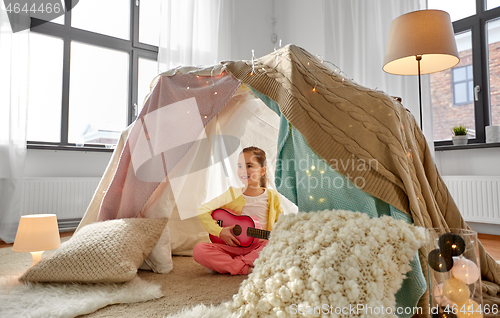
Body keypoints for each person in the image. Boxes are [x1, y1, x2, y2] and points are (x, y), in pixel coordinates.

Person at [193, 146, 283, 275]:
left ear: (263, 171)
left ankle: (231, 264)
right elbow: (202, 210)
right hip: (232, 246)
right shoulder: (231, 194)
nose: (243, 171)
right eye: (240, 166)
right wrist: (220, 232)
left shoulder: (272, 196)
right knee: (199, 250)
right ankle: (245, 267)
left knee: (276, 245)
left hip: (259, 246)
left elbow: (281, 223)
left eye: (249, 166)